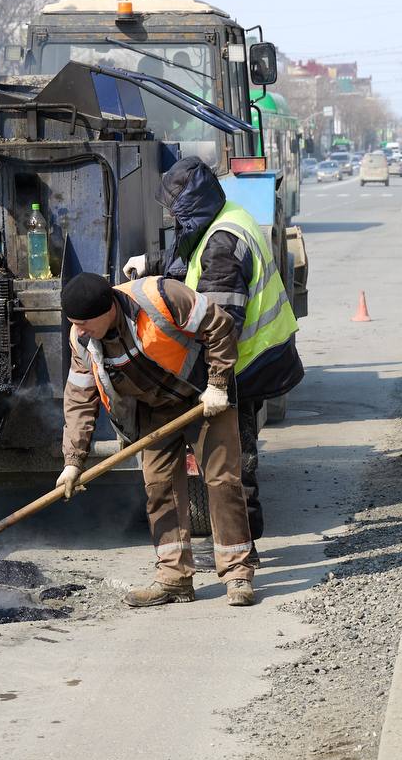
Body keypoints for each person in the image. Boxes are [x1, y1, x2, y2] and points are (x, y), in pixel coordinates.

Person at [125, 157, 304, 542]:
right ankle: (240, 540)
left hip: (250, 359)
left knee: (233, 458)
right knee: (232, 453)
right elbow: (191, 261)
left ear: (192, 207)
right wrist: (151, 263)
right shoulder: (225, 216)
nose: (170, 216)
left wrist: (212, 381)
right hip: (257, 352)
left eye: (174, 209)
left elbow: (221, 324)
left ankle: (245, 544)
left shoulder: (222, 244)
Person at [56, 271, 258, 607]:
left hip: (201, 396)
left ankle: (238, 573)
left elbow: (219, 325)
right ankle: (174, 579)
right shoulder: (82, 340)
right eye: (73, 323)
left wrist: (218, 384)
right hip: (152, 410)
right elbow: (79, 397)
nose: (78, 331)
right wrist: (72, 462)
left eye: (84, 323)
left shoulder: (162, 297)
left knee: (222, 481)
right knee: (158, 487)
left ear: (107, 311)